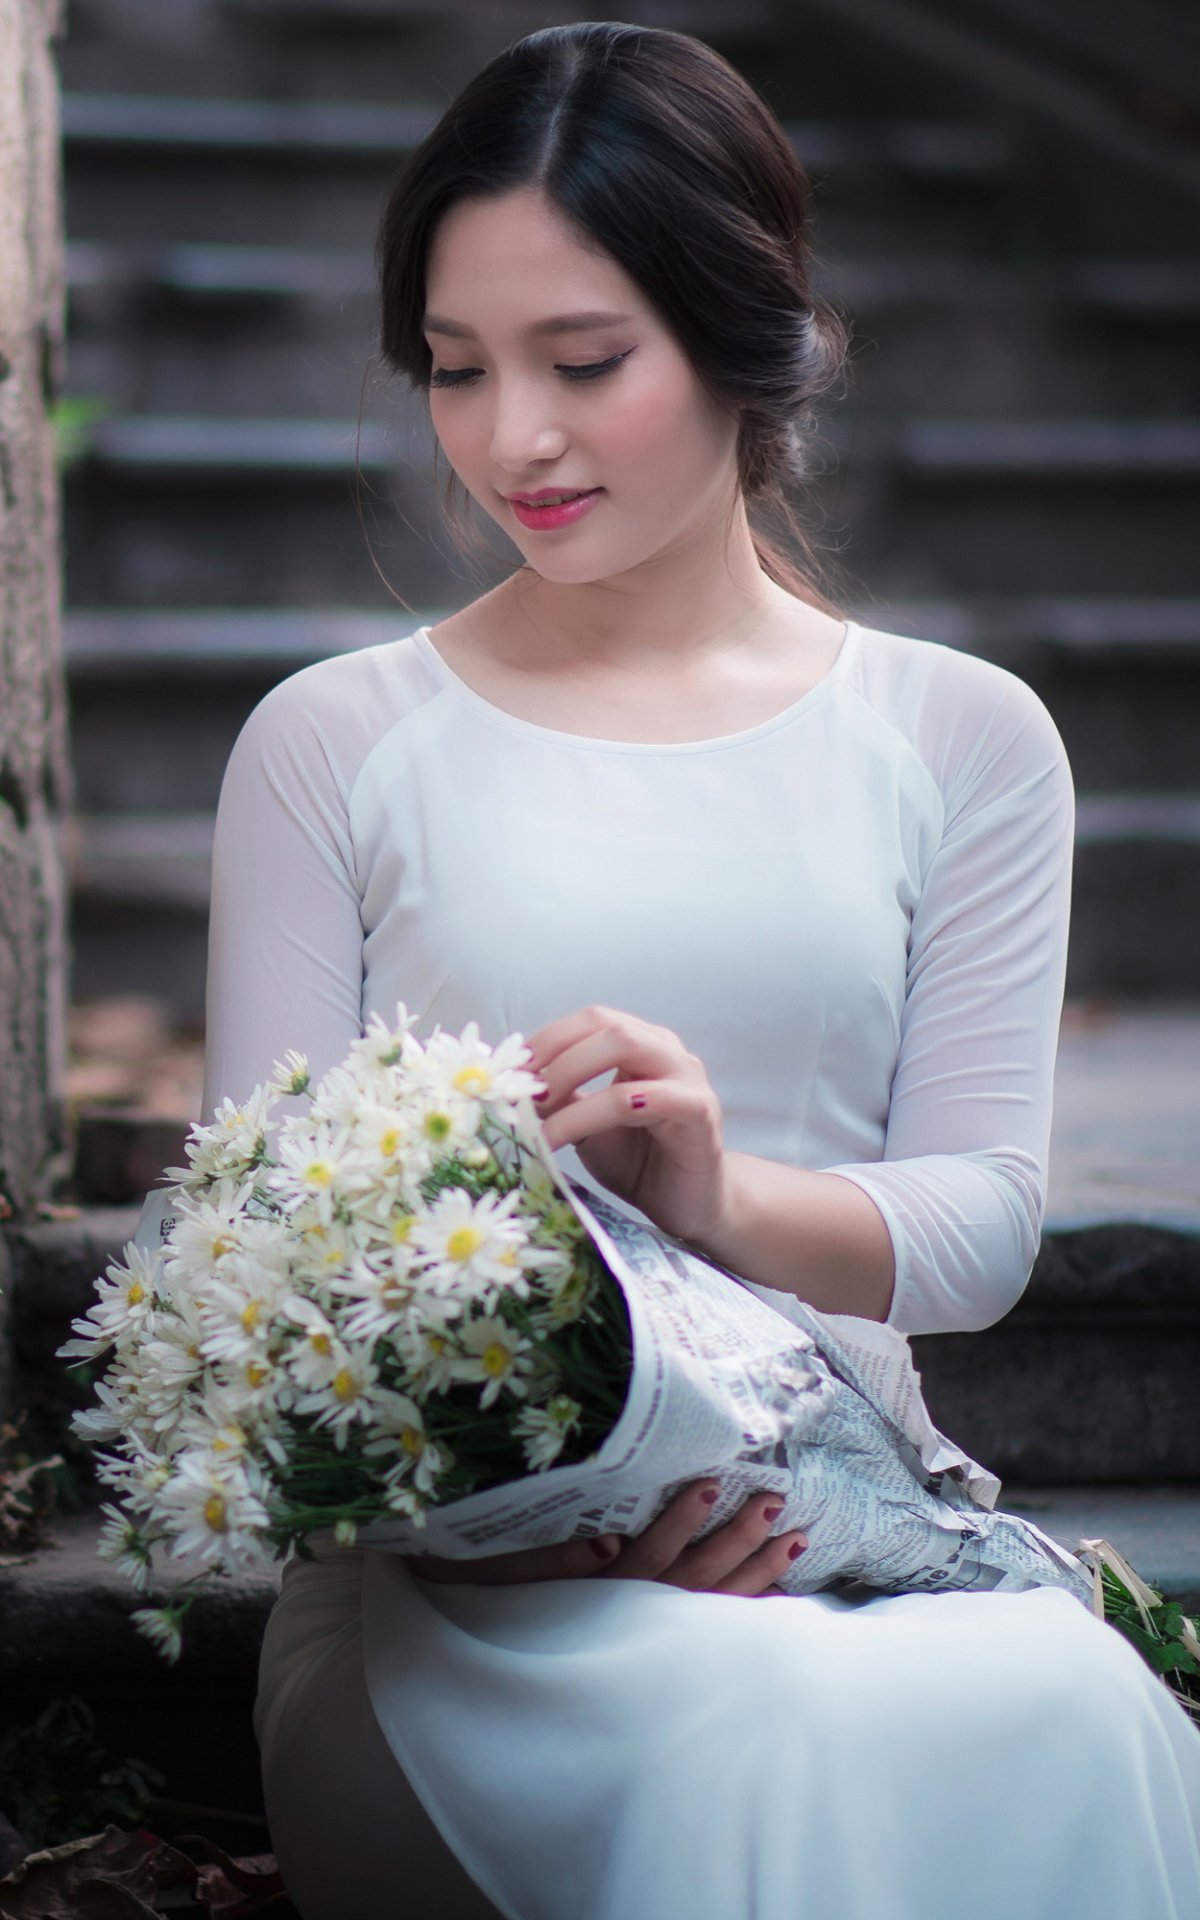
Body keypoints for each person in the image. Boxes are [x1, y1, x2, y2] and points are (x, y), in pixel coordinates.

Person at [182, 22, 1200, 1918]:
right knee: (761, 1738)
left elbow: (977, 1229)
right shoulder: (329, 744)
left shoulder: (965, 740)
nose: (512, 439)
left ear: (751, 340)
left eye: (584, 363)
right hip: (459, 1602)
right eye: (456, 370)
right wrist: (513, 1538)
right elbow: (262, 1273)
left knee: (1068, 1702)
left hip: (842, 1534)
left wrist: (714, 1191)